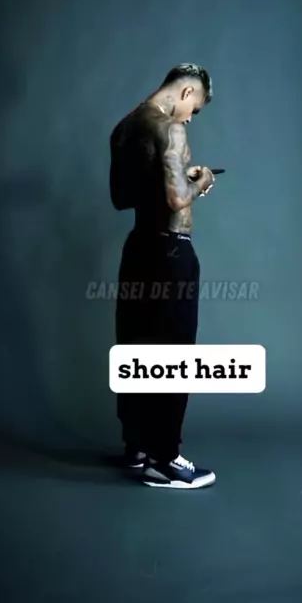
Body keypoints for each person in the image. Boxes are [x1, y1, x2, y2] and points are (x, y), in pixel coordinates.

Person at [109, 63, 217, 489]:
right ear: (187, 92)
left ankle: (137, 448)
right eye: (196, 109)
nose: (190, 119)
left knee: (137, 345)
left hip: (139, 247)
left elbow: (121, 198)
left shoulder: (125, 127)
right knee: (173, 353)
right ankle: (166, 459)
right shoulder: (170, 128)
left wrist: (172, 176)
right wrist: (201, 181)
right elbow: (176, 199)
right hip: (171, 253)